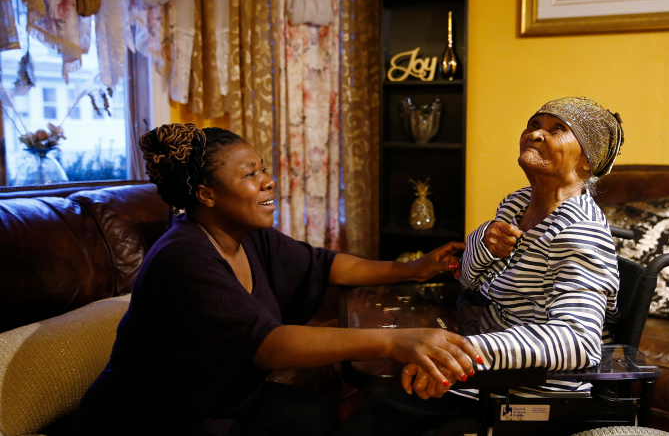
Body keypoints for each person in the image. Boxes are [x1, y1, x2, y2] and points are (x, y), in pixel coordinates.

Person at [70, 124, 481, 436]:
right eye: (250, 174)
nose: (268, 181)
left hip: (224, 403)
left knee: (325, 413)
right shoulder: (183, 258)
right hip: (155, 419)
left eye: (263, 170)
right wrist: (394, 339)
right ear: (206, 194)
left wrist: (411, 269)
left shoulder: (247, 237)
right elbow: (269, 346)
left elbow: (324, 266)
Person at [338, 97, 625, 435]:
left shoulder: (581, 232)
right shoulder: (518, 202)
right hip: (482, 362)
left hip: (521, 389)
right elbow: (471, 278)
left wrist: (459, 352)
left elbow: (577, 341)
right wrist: (484, 241)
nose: (535, 134)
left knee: (379, 415)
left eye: (557, 130)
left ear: (587, 162)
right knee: (377, 402)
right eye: (534, 125)